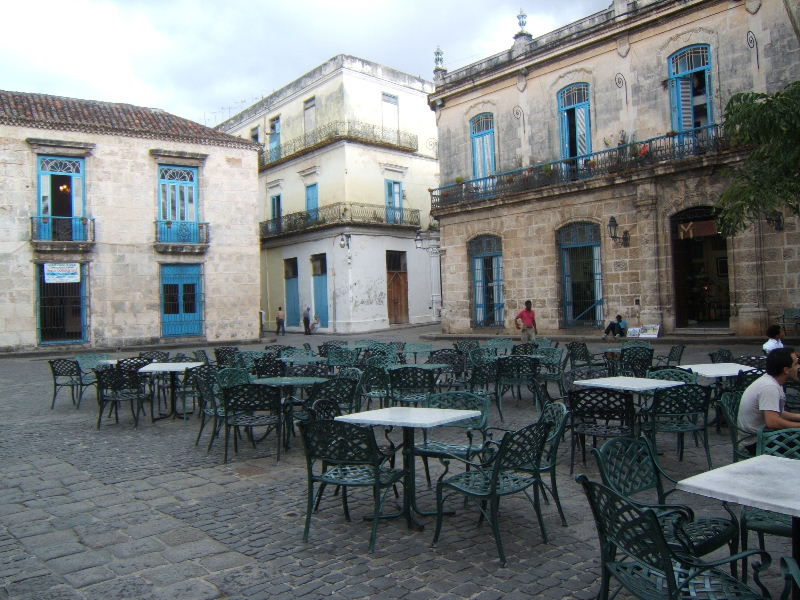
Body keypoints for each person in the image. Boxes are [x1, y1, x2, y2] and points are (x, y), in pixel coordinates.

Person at [737, 347, 800, 453]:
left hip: (759, 437)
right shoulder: (770, 387)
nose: (799, 367)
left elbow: (775, 412)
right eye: (796, 364)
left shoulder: (771, 380)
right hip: (756, 443)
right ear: (786, 370)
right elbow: (773, 422)